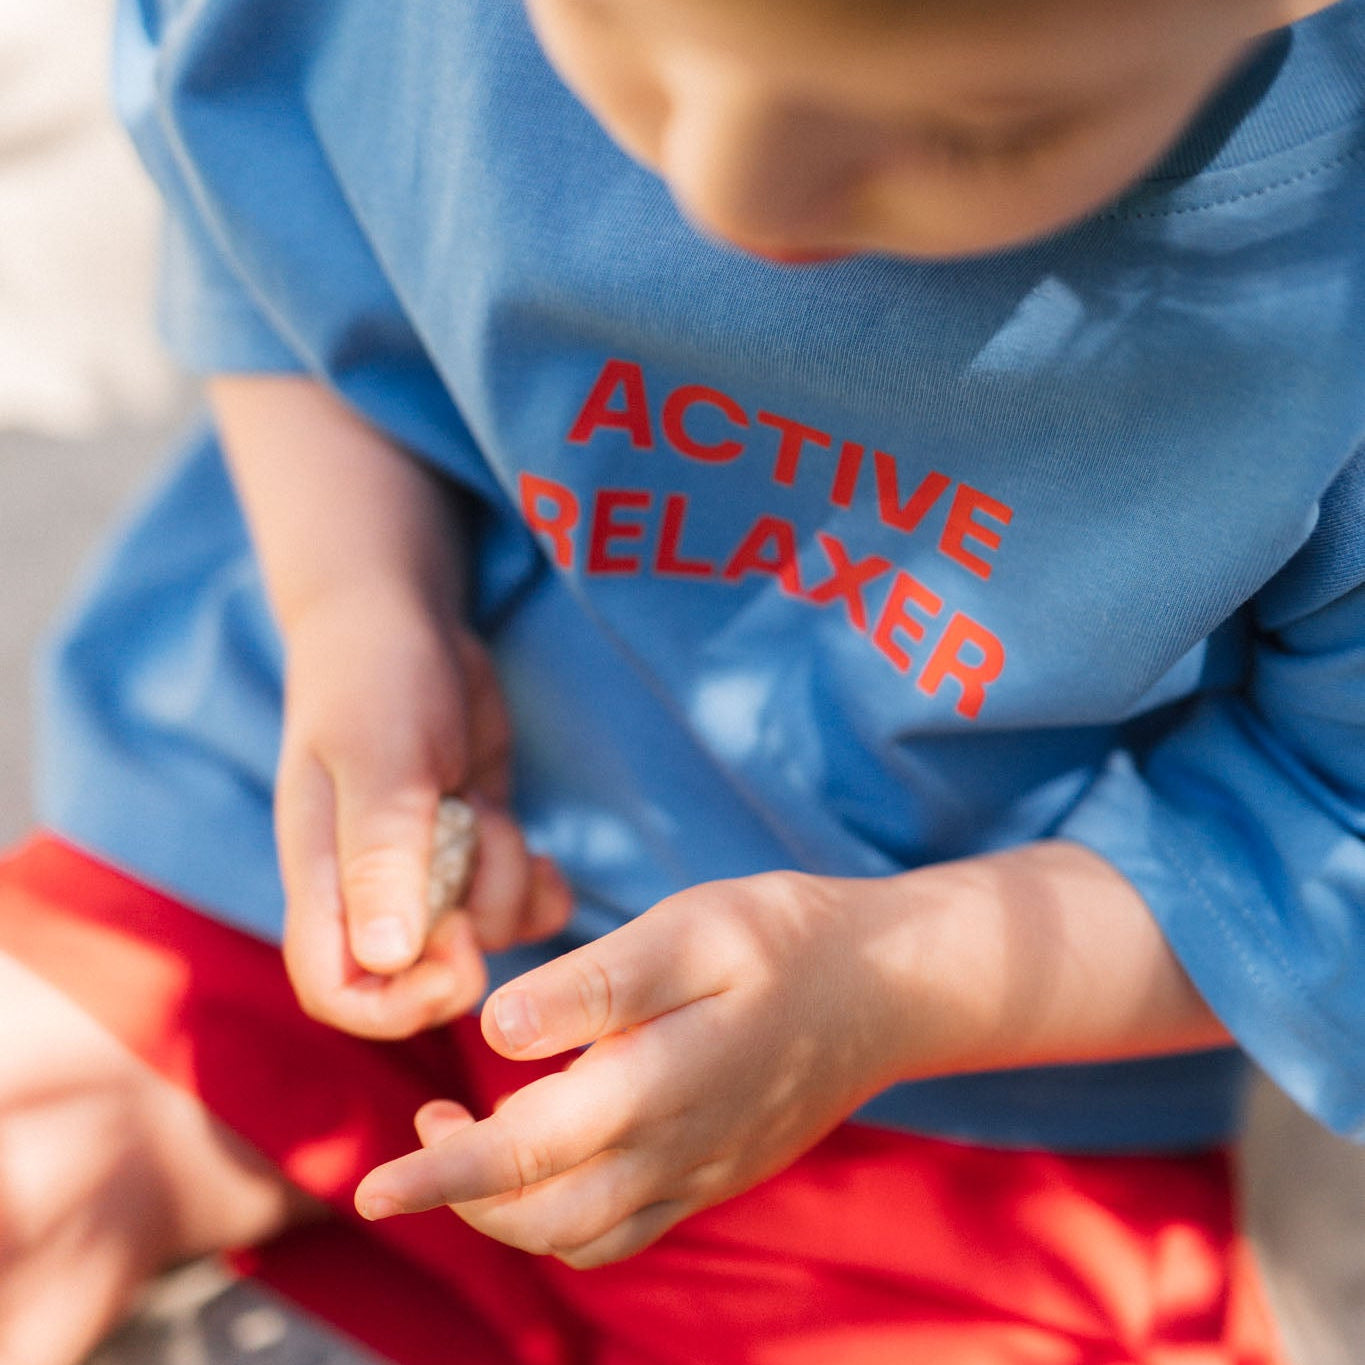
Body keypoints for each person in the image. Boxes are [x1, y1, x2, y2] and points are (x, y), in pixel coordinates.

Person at [1, 0, 1362, 1359]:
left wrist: (895, 987)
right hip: (258, 850)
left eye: (971, 135)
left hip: (945, 1082)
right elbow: (259, 203)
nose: (734, 203)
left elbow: (1325, 837)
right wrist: (359, 602)